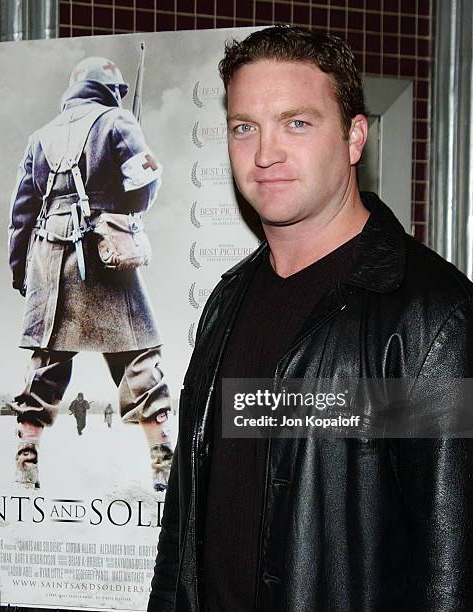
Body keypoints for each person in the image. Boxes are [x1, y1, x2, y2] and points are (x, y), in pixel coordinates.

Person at [149, 25, 473, 612]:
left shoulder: (433, 316)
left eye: (297, 123)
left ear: (355, 137)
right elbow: (187, 523)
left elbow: (453, 564)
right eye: (245, 127)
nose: (265, 153)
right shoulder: (229, 298)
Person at [8, 56, 173, 491]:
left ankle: (26, 463)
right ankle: (163, 465)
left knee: (45, 365)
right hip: (103, 257)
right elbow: (143, 185)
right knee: (139, 359)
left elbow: (22, 213)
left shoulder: (39, 138)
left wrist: (20, 271)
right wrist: (127, 204)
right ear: (112, 90)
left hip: (49, 263)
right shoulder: (117, 121)